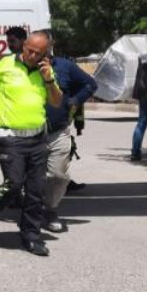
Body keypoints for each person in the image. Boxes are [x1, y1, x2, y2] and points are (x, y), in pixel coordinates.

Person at [0, 30, 63, 256]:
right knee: (13, 185)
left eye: (38, 53)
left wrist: (49, 79)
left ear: (46, 53)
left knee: (36, 189)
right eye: (29, 50)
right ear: (24, 45)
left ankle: (31, 235)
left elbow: (56, 102)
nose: (32, 55)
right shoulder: (5, 65)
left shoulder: (46, 71)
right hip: (10, 138)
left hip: (37, 138)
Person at [41, 34, 97, 233]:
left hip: (58, 131)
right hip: (27, 133)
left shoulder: (65, 66)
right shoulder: (21, 68)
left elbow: (90, 84)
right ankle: (31, 215)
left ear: (50, 46)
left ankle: (50, 209)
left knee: (58, 175)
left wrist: (74, 101)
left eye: (44, 47)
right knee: (23, 178)